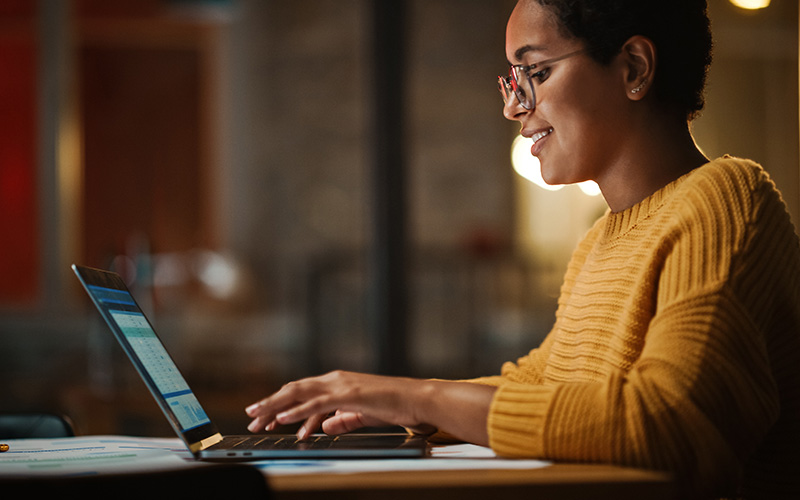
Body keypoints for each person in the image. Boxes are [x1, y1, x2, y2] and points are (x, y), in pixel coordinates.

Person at [246, 1, 800, 498]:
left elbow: (669, 421)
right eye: (513, 78)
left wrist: (420, 400)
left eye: (535, 72)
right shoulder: (601, 240)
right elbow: (543, 384)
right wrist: (392, 398)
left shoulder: (727, 199)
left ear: (633, 68)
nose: (514, 108)